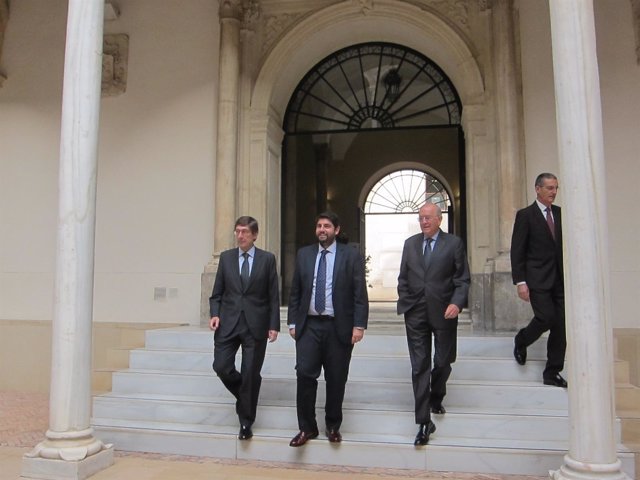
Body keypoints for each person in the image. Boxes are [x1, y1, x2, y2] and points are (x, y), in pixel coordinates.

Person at [287, 211, 369, 447]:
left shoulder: (351, 256)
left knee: (336, 378)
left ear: (336, 230)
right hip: (309, 326)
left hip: (338, 327)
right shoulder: (304, 254)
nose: (322, 230)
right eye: (319, 226)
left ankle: (333, 426)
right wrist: (293, 322)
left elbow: (359, 294)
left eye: (327, 226)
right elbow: (296, 292)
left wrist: (359, 325)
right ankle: (306, 428)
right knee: (304, 375)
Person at [397, 202, 470, 446]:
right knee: (419, 366)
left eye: (428, 218)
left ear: (439, 219)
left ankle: (437, 394)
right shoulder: (410, 244)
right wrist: (405, 299)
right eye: (421, 218)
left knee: (442, 361)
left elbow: (462, 279)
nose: (424, 222)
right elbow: (403, 277)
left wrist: (457, 303)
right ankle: (423, 421)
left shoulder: (454, 244)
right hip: (415, 313)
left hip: (444, 312)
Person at [209, 216, 280, 440]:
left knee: (250, 372)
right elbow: (217, 292)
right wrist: (214, 314)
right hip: (228, 323)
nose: (240, 236)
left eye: (245, 232)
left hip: (256, 324)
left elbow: (273, 296)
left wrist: (274, 325)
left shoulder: (267, 259)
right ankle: (246, 394)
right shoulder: (226, 258)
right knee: (221, 366)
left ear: (255, 235)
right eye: (237, 231)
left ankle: (246, 423)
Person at [511, 173, 567, 388]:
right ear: (538, 189)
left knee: (561, 326)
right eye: (550, 188)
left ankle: (552, 372)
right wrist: (521, 282)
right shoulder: (526, 215)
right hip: (537, 279)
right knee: (545, 318)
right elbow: (518, 251)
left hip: (560, 280)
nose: (553, 192)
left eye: (556, 188)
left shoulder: (561, 214)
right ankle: (522, 340)